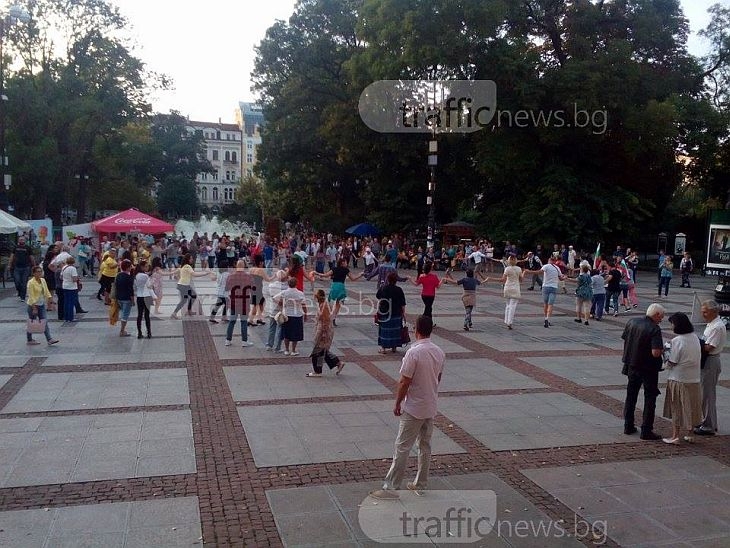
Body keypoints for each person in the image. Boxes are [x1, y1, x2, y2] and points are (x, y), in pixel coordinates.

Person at [369, 315, 445, 499]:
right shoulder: (439, 351)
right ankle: (421, 483)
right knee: (425, 446)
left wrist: (397, 402)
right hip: (430, 405)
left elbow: (404, 381)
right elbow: (438, 378)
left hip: (414, 407)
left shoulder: (414, 352)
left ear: (416, 329)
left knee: (402, 447)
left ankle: (391, 487)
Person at [621, 303, 665, 440]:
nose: (661, 319)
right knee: (650, 397)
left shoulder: (632, 322)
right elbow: (656, 352)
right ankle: (646, 429)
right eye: (661, 317)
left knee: (631, 395)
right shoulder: (654, 329)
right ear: (656, 314)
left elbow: (625, 338)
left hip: (632, 364)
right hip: (648, 368)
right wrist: (664, 350)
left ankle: (628, 425)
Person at [662, 312, 702, 444]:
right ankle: (690, 433)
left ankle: (675, 436)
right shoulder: (695, 337)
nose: (671, 326)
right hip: (694, 378)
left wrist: (665, 357)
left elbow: (672, 361)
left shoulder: (677, 341)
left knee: (677, 406)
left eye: (672, 324)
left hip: (678, 378)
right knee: (692, 406)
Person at [694, 300, 727, 436]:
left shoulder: (717, 327)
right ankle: (708, 421)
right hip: (707, 360)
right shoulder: (712, 324)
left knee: (707, 394)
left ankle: (709, 425)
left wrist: (695, 343)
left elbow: (709, 347)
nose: (703, 314)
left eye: (705, 312)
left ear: (714, 312)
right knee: (704, 393)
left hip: (711, 361)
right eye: (702, 311)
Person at [307, 289, 346, 377]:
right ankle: (337, 363)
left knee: (317, 351)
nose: (314, 298)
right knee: (321, 351)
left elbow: (325, 321)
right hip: (322, 329)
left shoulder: (324, 306)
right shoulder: (322, 304)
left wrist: (323, 335)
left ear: (318, 297)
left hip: (324, 331)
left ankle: (318, 371)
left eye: (315, 296)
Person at [316, 257, 363, 325]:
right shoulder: (346, 270)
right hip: (341, 287)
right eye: (346, 262)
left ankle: (330, 315)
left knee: (331, 302)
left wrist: (316, 273)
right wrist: (360, 275)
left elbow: (325, 275)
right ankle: (333, 317)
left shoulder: (334, 269)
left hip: (334, 286)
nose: (347, 263)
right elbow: (353, 278)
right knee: (338, 304)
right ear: (342, 263)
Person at [525, 254, 565, 328]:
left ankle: (545, 317)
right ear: (555, 261)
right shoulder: (557, 268)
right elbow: (561, 278)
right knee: (551, 304)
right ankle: (547, 319)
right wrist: (565, 277)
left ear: (549, 260)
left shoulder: (546, 266)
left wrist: (529, 271)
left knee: (545, 303)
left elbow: (539, 272)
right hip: (553, 287)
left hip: (545, 287)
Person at [224, 259, 255, 347]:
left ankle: (228, 340)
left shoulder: (230, 276)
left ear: (236, 266)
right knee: (244, 322)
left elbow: (226, 288)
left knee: (232, 321)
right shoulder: (249, 277)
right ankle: (244, 341)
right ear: (244, 266)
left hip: (234, 302)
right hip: (244, 302)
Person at [25, 266, 59, 346]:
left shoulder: (43, 280)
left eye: (40, 271)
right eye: (37, 271)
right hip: (33, 305)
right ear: (33, 273)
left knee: (44, 321)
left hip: (41, 304)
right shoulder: (31, 282)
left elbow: (46, 291)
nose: (39, 273)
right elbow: (31, 295)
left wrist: (51, 300)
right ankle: (29, 339)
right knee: (31, 322)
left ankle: (49, 339)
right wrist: (34, 307)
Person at [273, 277, 307, 355]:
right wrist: (305, 314)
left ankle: (286, 350)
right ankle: (293, 350)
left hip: (286, 315)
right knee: (295, 333)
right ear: (296, 284)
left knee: (286, 333)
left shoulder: (284, 292)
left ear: (288, 284)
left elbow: (274, 298)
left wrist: (281, 303)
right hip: (297, 315)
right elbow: (303, 305)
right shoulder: (300, 293)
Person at [170, 253, 210, 319]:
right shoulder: (187, 266)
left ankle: (186, 311)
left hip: (183, 285)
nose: (192, 259)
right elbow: (194, 274)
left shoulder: (183, 266)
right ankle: (176, 313)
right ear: (188, 259)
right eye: (191, 258)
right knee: (187, 298)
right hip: (183, 285)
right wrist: (205, 273)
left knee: (189, 298)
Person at [376, 272, 407, 354]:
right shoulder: (399, 290)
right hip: (396, 313)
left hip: (384, 313)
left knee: (384, 331)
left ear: (388, 279)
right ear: (396, 280)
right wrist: (404, 314)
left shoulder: (383, 288)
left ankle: (383, 348)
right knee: (395, 331)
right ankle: (394, 347)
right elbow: (403, 303)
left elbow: (378, 296)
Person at [499, 255, 524, 330]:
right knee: (513, 306)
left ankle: (506, 320)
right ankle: (510, 322)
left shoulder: (507, 269)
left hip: (507, 287)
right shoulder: (519, 269)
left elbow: (503, 279)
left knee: (508, 305)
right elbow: (521, 280)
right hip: (515, 287)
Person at [9, 236, 35, 301]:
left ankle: (22, 297)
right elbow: (12, 256)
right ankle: (19, 291)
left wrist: (34, 265)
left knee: (24, 282)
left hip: (26, 267)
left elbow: (31, 257)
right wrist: (9, 264)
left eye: (22, 240)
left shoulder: (28, 248)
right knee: (17, 281)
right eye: (20, 239)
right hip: (17, 267)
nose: (21, 241)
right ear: (18, 240)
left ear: (25, 241)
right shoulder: (15, 247)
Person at [134, 261, 154, 339]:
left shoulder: (136, 275)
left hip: (139, 296)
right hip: (147, 296)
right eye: (146, 266)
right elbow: (150, 286)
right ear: (142, 267)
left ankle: (139, 332)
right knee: (147, 316)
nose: (147, 267)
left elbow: (135, 287)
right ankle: (149, 332)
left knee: (139, 315)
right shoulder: (145, 276)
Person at [115, 259, 134, 337]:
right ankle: (122, 331)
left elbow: (116, 286)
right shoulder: (128, 277)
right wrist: (133, 300)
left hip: (119, 297)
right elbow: (130, 290)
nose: (131, 267)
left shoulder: (118, 275)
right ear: (127, 268)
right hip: (126, 298)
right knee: (125, 315)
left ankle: (122, 330)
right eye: (130, 266)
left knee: (123, 313)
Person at [60, 256, 80, 324]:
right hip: (72, 287)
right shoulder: (73, 268)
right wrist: (77, 278)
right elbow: (74, 279)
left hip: (65, 285)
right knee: (71, 302)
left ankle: (66, 317)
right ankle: (70, 317)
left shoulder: (64, 267)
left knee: (66, 302)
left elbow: (61, 277)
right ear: (73, 262)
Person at [209, 259, 229, 323]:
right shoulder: (226, 274)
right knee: (227, 303)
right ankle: (223, 317)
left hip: (219, 291)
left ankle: (212, 317)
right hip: (224, 292)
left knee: (218, 305)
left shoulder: (219, 272)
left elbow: (216, 280)